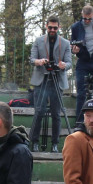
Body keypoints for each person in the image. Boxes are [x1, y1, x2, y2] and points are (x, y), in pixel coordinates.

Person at [29, 16, 72, 152]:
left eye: (55, 27)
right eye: (50, 27)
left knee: (56, 114)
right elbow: (32, 59)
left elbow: (70, 63)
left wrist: (64, 65)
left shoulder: (65, 43)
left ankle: (54, 144)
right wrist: (39, 61)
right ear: (46, 26)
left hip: (57, 79)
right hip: (42, 78)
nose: (52, 30)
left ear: (59, 27)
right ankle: (34, 142)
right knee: (39, 112)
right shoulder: (38, 40)